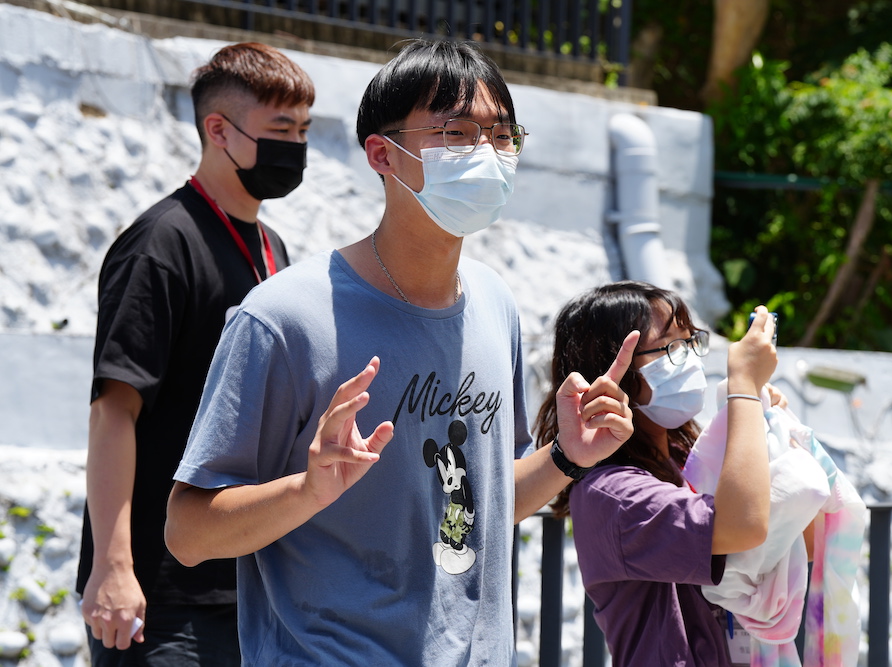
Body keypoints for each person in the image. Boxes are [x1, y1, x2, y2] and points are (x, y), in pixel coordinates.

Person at [163, 39, 635, 665]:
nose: (487, 154)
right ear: (382, 154)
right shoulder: (283, 318)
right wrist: (308, 490)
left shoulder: (495, 303)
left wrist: (566, 457)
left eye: (502, 136)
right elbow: (188, 533)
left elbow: (487, 504)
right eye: (457, 134)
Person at [76, 42, 313, 666]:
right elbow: (113, 410)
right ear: (219, 130)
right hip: (162, 597)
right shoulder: (160, 244)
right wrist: (113, 566)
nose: (296, 146)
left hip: (250, 586)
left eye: (304, 130)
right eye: (280, 129)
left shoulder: (273, 248)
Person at [536, 280, 778, 667]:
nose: (689, 359)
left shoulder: (684, 456)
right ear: (610, 369)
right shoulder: (612, 495)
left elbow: (797, 533)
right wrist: (744, 389)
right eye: (670, 347)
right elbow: (744, 526)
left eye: (689, 341)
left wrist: (768, 422)